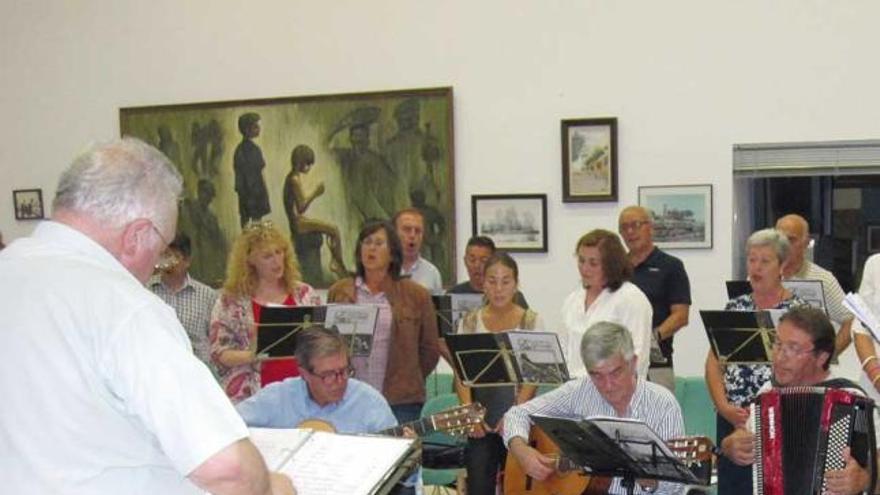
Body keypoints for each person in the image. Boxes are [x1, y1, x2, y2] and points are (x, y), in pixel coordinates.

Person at [0, 138, 292, 494]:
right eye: (161, 247)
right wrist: (271, 487)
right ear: (137, 235)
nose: (157, 264)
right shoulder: (124, 305)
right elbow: (228, 468)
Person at [503, 321, 685, 495]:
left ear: (634, 362)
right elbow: (517, 413)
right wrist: (521, 451)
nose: (608, 385)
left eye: (615, 373)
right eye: (596, 375)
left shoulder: (663, 404)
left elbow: (677, 488)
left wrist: (652, 483)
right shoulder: (581, 390)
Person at [720, 307, 874, 495]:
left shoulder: (851, 399)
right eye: (777, 344)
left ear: (822, 357)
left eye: (793, 348)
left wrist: (865, 479)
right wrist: (730, 446)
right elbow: (743, 437)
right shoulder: (767, 394)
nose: (780, 357)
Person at [705, 228, 807, 494]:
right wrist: (724, 407)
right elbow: (714, 363)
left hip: (783, 419)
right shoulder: (734, 307)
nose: (756, 268)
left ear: (782, 265)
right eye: (752, 260)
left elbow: (808, 370)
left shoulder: (800, 313)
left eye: (765, 261)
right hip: (734, 420)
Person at [327, 220, 440, 424]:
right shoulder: (340, 291)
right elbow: (326, 343)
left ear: (392, 253)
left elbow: (429, 349)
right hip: (348, 395)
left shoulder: (416, 295)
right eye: (367, 242)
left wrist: (408, 375)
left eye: (379, 243)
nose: (371, 248)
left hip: (400, 400)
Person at [454, 253, 543, 495]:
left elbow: (533, 377)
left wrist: (514, 413)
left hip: (518, 419)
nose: (499, 288)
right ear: (483, 283)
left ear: (516, 283)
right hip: (480, 421)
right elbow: (461, 374)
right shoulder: (469, 323)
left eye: (506, 281)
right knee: (479, 486)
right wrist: (469, 412)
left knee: (517, 487)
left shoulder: (531, 321)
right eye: (492, 281)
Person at [210, 221, 321, 403]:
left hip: (304, 395)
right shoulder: (231, 301)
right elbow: (219, 354)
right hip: (253, 397)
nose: (277, 261)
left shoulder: (305, 294)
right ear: (250, 260)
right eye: (267, 256)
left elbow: (320, 342)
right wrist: (252, 355)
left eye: (279, 252)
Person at [236, 326, 396, 433]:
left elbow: (405, 475)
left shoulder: (370, 402)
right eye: (327, 375)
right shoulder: (277, 397)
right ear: (304, 373)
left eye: (344, 371)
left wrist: (406, 456)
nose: (339, 381)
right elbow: (227, 427)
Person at [560, 229, 653, 379]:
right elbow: (563, 351)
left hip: (614, 391)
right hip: (574, 391)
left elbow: (637, 357)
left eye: (593, 263)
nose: (584, 269)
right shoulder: (573, 299)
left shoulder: (631, 298)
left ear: (611, 265)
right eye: (581, 260)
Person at [618, 206, 691, 392]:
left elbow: (681, 316)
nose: (630, 232)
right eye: (624, 227)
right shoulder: (615, 269)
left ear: (651, 228)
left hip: (657, 365)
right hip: (618, 365)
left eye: (636, 225)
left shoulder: (671, 266)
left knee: (657, 419)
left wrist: (648, 339)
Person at [776, 213, 854, 355]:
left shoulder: (824, 279)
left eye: (791, 239)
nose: (784, 245)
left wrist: (828, 356)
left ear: (806, 243)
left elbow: (850, 321)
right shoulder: (760, 277)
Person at [149, 232, 219, 374]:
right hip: (158, 369)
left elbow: (216, 340)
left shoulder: (207, 295)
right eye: (164, 255)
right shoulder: (146, 290)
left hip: (199, 369)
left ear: (187, 261)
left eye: (173, 256)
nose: (167, 262)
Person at [282, 144, 348, 279]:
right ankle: (337, 262)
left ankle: (336, 261)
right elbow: (301, 207)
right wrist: (316, 193)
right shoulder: (294, 180)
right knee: (333, 229)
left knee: (331, 230)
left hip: (298, 221)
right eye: (307, 163)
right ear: (300, 161)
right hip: (298, 224)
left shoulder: (293, 177)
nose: (309, 167)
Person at [447, 235, 529, 308]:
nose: (477, 265)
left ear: (493, 262)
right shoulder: (453, 294)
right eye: (472, 260)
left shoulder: (513, 296)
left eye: (483, 260)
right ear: (465, 261)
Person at [234, 112, 271, 228]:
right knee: (254, 223)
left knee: (248, 224)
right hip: (253, 192)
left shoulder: (240, 150)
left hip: (247, 193)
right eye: (256, 127)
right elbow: (259, 173)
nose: (259, 129)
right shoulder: (253, 150)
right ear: (247, 129)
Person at [394, 207, 443, 292]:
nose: (412, 236)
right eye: (407, 230)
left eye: (417, 231)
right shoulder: (382, 269)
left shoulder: (432, 273)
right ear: (394, 233)